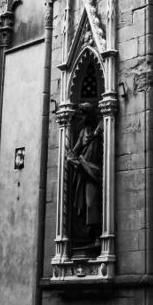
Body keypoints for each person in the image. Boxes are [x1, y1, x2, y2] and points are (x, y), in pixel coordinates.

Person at [66, 103, 103, 243]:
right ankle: (92, 235)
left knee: (93, 203)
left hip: (96, 172)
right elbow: (74, 152)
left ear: (90, 115)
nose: (82, 118)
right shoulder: (82, 133)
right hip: (85, 172)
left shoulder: (101, 127)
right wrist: (73, 159)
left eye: (85, 114)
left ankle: (98, 235)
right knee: (88, 204)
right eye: (81, 115)